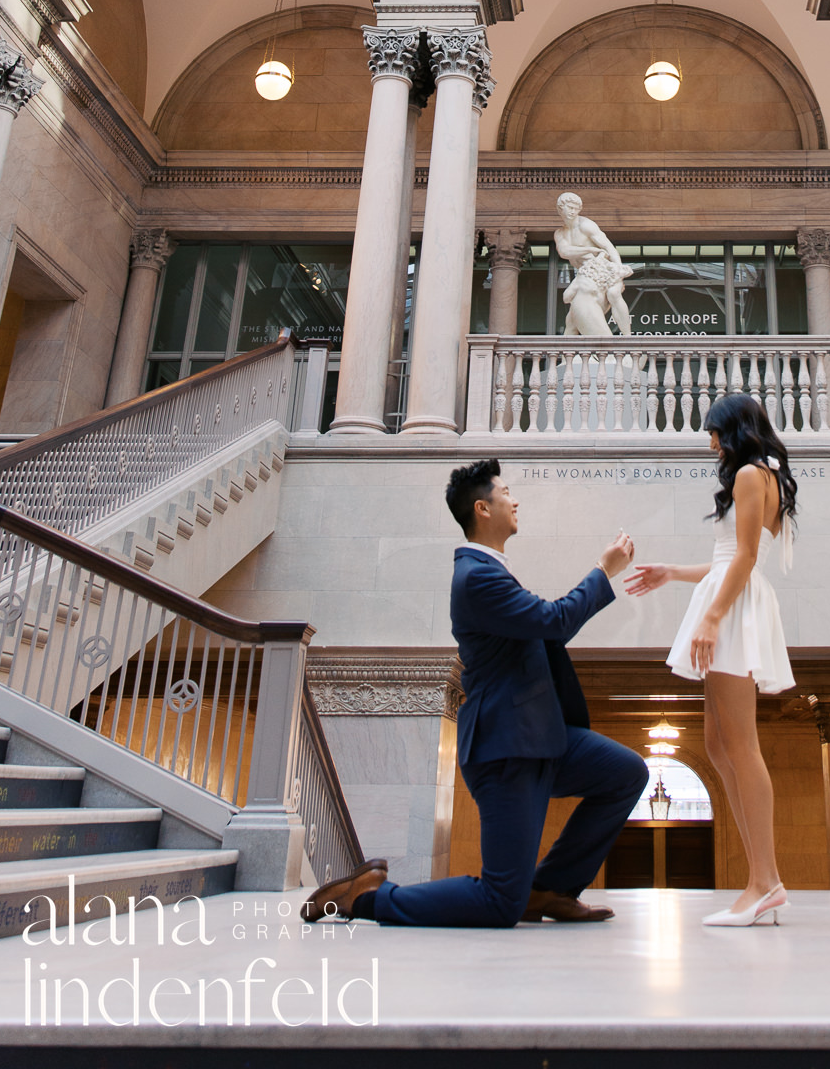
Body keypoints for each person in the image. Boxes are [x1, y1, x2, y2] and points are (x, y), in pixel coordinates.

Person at [302, 458, 647, 927]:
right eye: (507, 492)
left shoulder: (492, 572)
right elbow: (553, 622)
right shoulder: (477, 577)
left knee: (626, 774)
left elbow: (545, 632)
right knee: (499, 901)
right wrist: (603, 570)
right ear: (483, 508)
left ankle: (548, 889)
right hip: (506, 748)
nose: (516, 499)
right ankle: (367, 898)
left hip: (541, 738)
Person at [624, 394, 798, 928]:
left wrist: (712, 618)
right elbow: (730, 558)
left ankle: (765, 882)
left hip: (734, 604)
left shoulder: (750, 474)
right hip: (731, 595)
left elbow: (744, 558)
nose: (710, 442)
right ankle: (760, 880)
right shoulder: (759, 475)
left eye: (715, 432)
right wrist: (673, 572)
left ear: (736, 430)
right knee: (718, 744)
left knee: (740, 745)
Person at [554, 192, 633, 336]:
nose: (572, 211)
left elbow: (609, 248)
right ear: (561, 208)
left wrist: (618, 269)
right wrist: (589, 249)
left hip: (604, 267)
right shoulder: (560, 233)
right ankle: (567, 356)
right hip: (586, 272)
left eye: (576, 208)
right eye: (569, 207)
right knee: (572, 317)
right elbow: (564, 252)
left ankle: (628, 337)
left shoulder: (586, 225)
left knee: (613, 293)